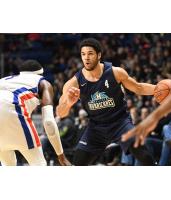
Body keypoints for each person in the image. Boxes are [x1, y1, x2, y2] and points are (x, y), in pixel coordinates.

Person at [56, 38, 156, 166]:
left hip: (120, 123)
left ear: (99, 55)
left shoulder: (115, 72)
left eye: (90, 53)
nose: (86, 58)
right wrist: (69, 103)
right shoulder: (73, 83)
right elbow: (60, 113)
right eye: (83, 54)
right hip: (96, 128)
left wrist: (158, 89)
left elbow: (139, 87)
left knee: (143, 154)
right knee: (78, 164)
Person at [0, 60, 70, 166]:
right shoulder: (43, 82)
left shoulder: (4, 79)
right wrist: (61, 156)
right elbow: (49, 122)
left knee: (9, 165)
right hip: (14, 111)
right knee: (39, 165)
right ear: (40, 74)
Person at [122, 73, 171, 148]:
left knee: (166, 128)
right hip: (164, 138)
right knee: (141, 141)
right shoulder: (167, 112)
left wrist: (155, 116)